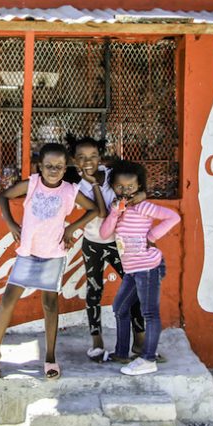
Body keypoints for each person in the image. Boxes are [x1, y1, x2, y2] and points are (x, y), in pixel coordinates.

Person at [0, 143, 104, 380]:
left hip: (54, 253)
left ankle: (50, 356)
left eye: (59, 167)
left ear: (65, 167)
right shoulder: (32, 184)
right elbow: (4, 196)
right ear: (40, 166)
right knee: (8, 301)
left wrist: (72, 228)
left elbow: (95, 210)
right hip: (28, 252)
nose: (53, 170)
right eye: (48, 166)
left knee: (50, 306)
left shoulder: (70, 190)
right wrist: (11, 224)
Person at [95, 161, 180, 376]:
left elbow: (173, 217)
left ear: (139, 186)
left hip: (148, 267)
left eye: (131, 187)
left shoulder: (144, 206)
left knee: (149, 313)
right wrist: (115, 212)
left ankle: (148, 359)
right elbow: (105, 234)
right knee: (120, 308)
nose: (125, 191)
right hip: (132, 270)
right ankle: (121, 352)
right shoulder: (117, 209)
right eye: (120, 187)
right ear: (113, 187)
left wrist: (151, 237)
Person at [66, 134, 147, 361]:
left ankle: (140, 340)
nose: (88, 161)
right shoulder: (77, 187)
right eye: (81, 157)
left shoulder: (114, 174)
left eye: (93, 156)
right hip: (93, 244)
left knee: (135, 288)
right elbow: (100, 212)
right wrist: (93, 185)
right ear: (74, 160)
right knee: (94, 291)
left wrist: (142, 193)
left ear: (100, 156)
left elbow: (138, 185)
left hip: (119, 244)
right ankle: (97, 340)